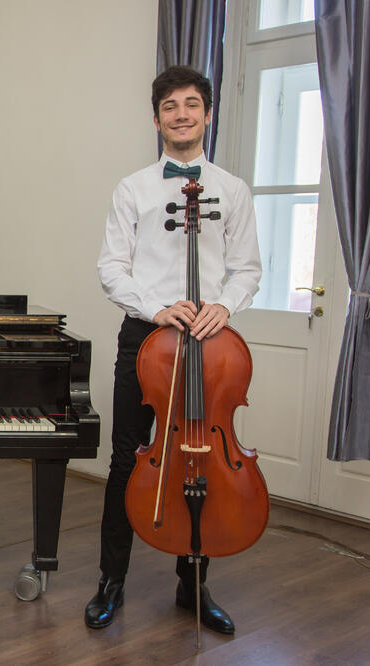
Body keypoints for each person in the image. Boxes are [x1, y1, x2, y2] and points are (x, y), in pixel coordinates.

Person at [89, 66, 261, 635]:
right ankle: (110, 582)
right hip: (146, 340)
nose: (181, 114)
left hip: (209, 344)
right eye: (170, 105)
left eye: (192, 104)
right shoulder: (133, 188)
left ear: (208, 115)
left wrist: (225, 306)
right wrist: (154, 308)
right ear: (157, 117)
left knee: (202, 458)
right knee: (125, 459)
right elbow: (111, 267)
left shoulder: (232, 190)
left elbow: (247, 268)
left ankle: (194, 586)